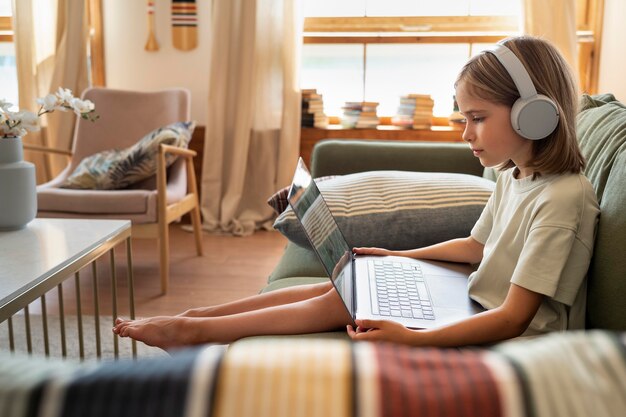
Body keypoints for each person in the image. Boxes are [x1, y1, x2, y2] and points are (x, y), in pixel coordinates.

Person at [113, 36, 599, 349]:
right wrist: (399, 255)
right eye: (462, 119)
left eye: (476, 119)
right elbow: (476, 248)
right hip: (474, 299)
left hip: (517, 338)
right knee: (344, 284)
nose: (466, 134)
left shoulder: (561, 199)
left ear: (532, 115)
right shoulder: (518, 174)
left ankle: (191, 332)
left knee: (343, 302)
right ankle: (196, 315)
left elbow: (515, 318)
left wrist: (411, 339)